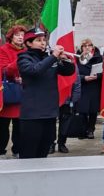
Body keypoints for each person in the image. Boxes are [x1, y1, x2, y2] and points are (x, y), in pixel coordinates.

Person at [17, 27, 75, 159]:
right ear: (28, 43)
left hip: (49, 113)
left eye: (44, 40)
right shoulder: (23, 58)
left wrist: (65, 60)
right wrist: (53, 57)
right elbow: (35, 70)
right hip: (32, 115)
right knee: (29, 154)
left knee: (43, 153)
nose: (43, 43)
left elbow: (68, 72)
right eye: (38, 40)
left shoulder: (49, 59)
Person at [0, 25, 27, 158]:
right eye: (17, 35)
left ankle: (17, 150)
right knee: (3, 127)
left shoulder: (27, 50)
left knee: (20, 127)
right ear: (11, 37)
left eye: (22, 35)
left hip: (23, 95)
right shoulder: (3, 50)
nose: (21, 37)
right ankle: (1, 151)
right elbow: (4, 70)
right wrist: (19, 59)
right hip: (8, 94)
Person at [75, 38, 103, 140]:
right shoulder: (77, 58)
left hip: (94, 86)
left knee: (93, 110)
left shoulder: (98, 57)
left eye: (89, 45)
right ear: (81, 47)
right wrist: (83, 78)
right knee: (82, 110)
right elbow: (74, 73)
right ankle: (83, 130)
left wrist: (98, 76)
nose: (87, 48)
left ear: (93, 47)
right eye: (85, 46)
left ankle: (91, 130)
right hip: (83, 86)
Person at [55, 73, 81, 154]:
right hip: (52, 99)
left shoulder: (72, 63)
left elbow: (77, 83)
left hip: (67, 101)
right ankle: (50, 144)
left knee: (65, 124)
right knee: (50, 124)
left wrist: (73, 100)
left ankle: (61, 143)